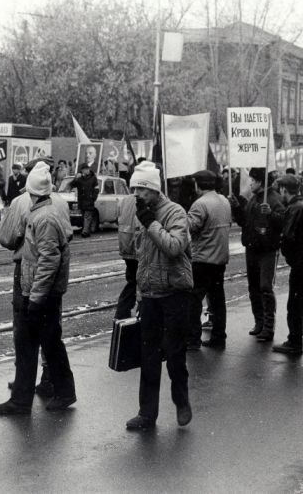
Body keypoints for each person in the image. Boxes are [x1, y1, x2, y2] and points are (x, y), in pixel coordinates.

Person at [0, 162, 76, 415]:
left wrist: (35, 298)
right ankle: (28, 397)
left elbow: (49, 259)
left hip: (37, 287)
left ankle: (59, 392)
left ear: (30, 190)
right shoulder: (50, 208)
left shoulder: (42, 215)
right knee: (43, 340)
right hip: (39, 284)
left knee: (39, 341)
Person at [125, 161, 194, 431]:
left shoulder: (175, 212)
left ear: (154, 189)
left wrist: (152, 224)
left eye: (142, 188)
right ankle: (147, 413)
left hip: (175, 292)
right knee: (149, 355)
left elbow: (175, 247)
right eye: (134, 188)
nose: (137, 194)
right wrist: (141, 293)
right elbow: (141, 255)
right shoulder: (142, 213)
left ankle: (181, 400)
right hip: (152, 294)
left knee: (175, 353)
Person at [229, 168, 285, 341]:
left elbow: (284, 222)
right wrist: (237, 207)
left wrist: (272, 215)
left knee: (265, 287)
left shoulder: (274, 199)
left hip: (267, 249)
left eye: (252, 180)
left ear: (260, 182)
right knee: (254, 288)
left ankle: (268, 327)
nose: (250, 183)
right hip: (252, 248)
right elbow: (245, 221)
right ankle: (259, 322)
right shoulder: (254, 198)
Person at [272, 175, 303, 355]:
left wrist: (289, 256)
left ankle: (294, 341)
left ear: (285, 189)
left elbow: (288, 237)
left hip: (300, 263)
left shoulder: (293, 208)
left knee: (294, 305)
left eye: (281, 190)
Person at [185, 170, 231, 349]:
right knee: (218, 300)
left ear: (198, 184)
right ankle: (219, 338)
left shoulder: (200, 204)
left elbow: (190, 228)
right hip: (220, 259)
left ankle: (192, 339)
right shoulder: (224, 200)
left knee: (193, 300)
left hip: (203, 259)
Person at [114, 192, 138, 320]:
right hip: (138, 248)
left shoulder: (123, 201)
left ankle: (122, 313)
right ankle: (123, 313)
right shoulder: (146, 200)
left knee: (132, 281)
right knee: (137, 284)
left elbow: (117, 218)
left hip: (126, 246)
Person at [69, 163, 99, 238]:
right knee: (83, 216)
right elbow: (72, 185)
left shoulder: (93, 178)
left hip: (89, 200)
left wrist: (93, 197)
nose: (86, 171)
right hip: (81, 200)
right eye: (84, 169)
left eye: (87, 169)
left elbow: (96, 189)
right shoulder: (80, 179)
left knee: (87, 216)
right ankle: (86, 231)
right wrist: (76, 178)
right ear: (82, 171)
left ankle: (85, 232)